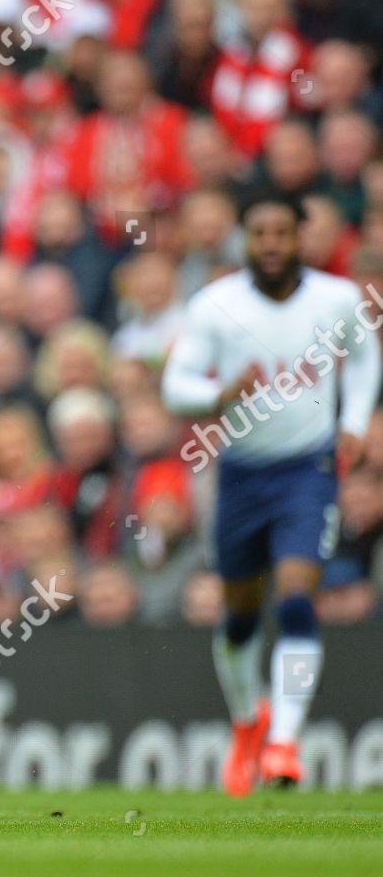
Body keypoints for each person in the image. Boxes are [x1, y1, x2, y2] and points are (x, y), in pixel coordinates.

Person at [162, 194, 380, 795]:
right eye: (260, 233)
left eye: (283, 232)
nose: (272, 244)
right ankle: (247, 721)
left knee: (294, 600)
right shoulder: (217, 305)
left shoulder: (335, 299)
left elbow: (363, 359)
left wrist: (355, 423)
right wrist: (217, 393)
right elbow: (174, 384)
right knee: (237, 616)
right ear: (244, 239)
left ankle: (284, 741)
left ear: (300, 237)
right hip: (240, 472)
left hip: (308, 471)